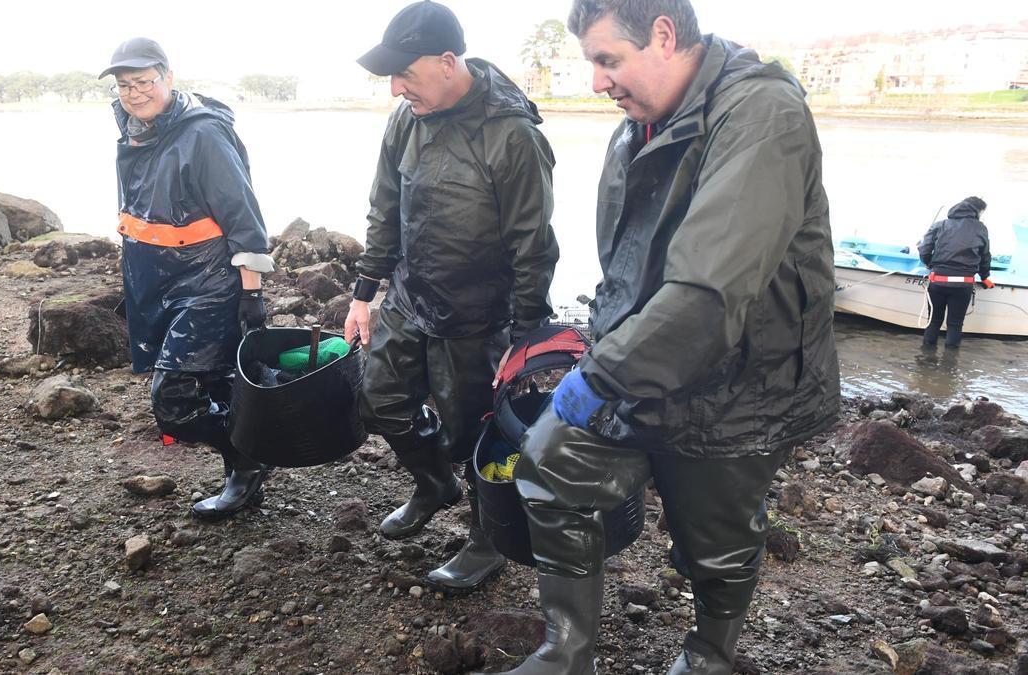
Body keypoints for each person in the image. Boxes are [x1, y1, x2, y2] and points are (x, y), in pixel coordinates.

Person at [494, 2, 840, 673]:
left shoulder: (763, 116)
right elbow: (625, 269)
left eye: (607, 59)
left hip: (741, 383)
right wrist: (594, 353)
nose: (597, 81)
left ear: (661, 35)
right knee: (550, 462)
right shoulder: (635, 130)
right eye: (592, 62)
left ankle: (710, 652)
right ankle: (567, 650)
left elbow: (707, 295)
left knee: (713, 540)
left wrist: (593, 379)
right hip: (642, 363)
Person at [345, 0, 560, 592]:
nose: (395, 88)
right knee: (378, 399)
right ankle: (434, 483)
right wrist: (365, 291)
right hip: (411, 298)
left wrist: (528, 333)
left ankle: (487, 538)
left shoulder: (513, 136)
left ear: (447, 62)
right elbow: (384, 206)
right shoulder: (406, 119)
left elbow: (533, 242)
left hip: (478, 318)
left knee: (474, 433)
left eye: (404, 74)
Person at [102, 37, 276, 521]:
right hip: (154, 280)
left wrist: (250, 292)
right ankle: (244, 476)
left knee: (172, 399)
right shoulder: (134, 125)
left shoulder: (203, 134)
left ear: (169, 78)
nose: (134, 93)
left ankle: (249, 459)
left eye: (144, 82)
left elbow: (244, 216)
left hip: (207, 280)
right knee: (220, 383)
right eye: (124, 85)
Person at [917, 196, 993, 349]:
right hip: (963, 285)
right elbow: (985, 256)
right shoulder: (981, 228)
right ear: (977, 211)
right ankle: (950, 366)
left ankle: (925, 363)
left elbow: (925, 251)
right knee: (955, 324)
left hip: (938, 280)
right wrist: (985, 277)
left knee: (934, 321)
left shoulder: (940, 225)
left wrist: (931, 264)